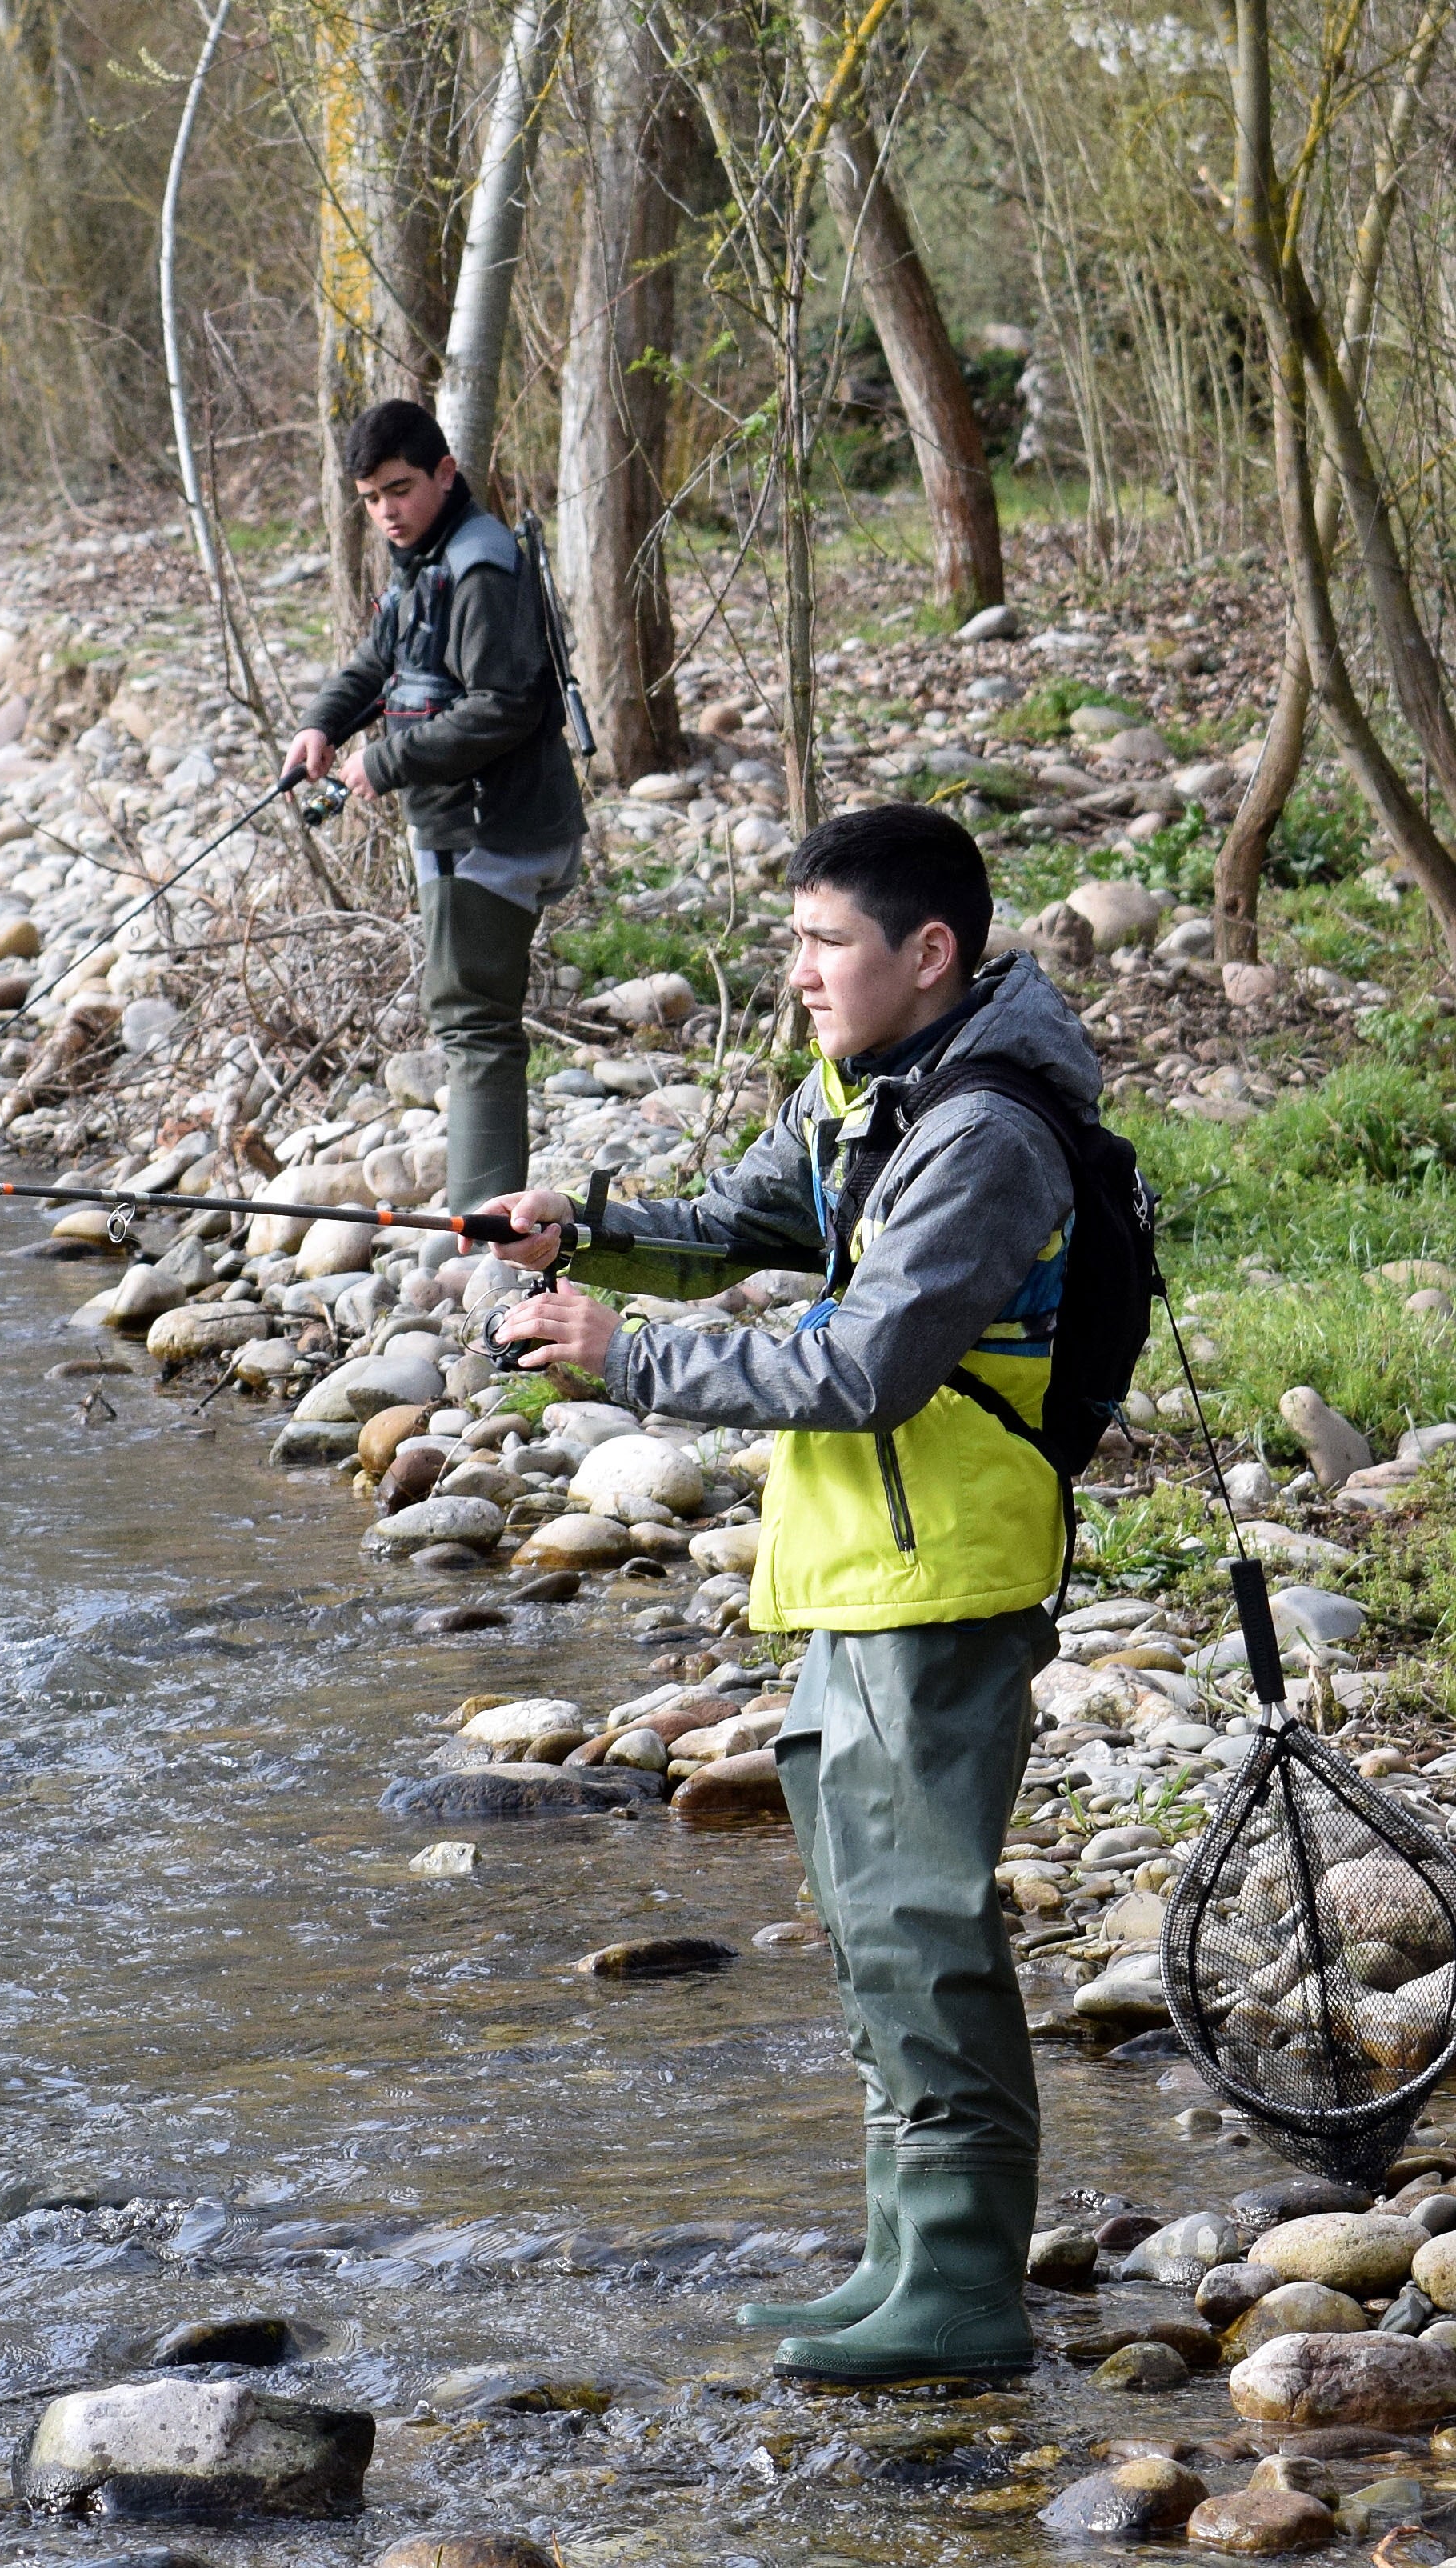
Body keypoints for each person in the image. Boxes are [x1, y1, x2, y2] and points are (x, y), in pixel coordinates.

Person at [481, 801, 1100, 2387]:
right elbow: (750, 1226)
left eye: (827, 943)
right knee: (871, 1936)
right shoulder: (867, 1092)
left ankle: (963, 2288)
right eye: (799, 939)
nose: (800, 971)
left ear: (929, 953)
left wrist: (629, 1358)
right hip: (856, 1576)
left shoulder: (985, 1136)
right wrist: (593, 1231)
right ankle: (901, 2254)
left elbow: (867, 1367)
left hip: (942, 1576)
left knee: (926, 1933)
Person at [286, 398, 586, 1214]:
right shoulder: (424, 554)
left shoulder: (480, 566)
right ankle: (487, 1212)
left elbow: (505, 707)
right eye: (371, 497)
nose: (386, 511)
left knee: (475, 1025)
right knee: (469, 1018)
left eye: (400, 489)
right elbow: (380, 658)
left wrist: (381, 761)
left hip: (495, 830)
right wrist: (322, 726)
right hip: (459, 824)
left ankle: (488, 1227)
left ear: (445, 474)